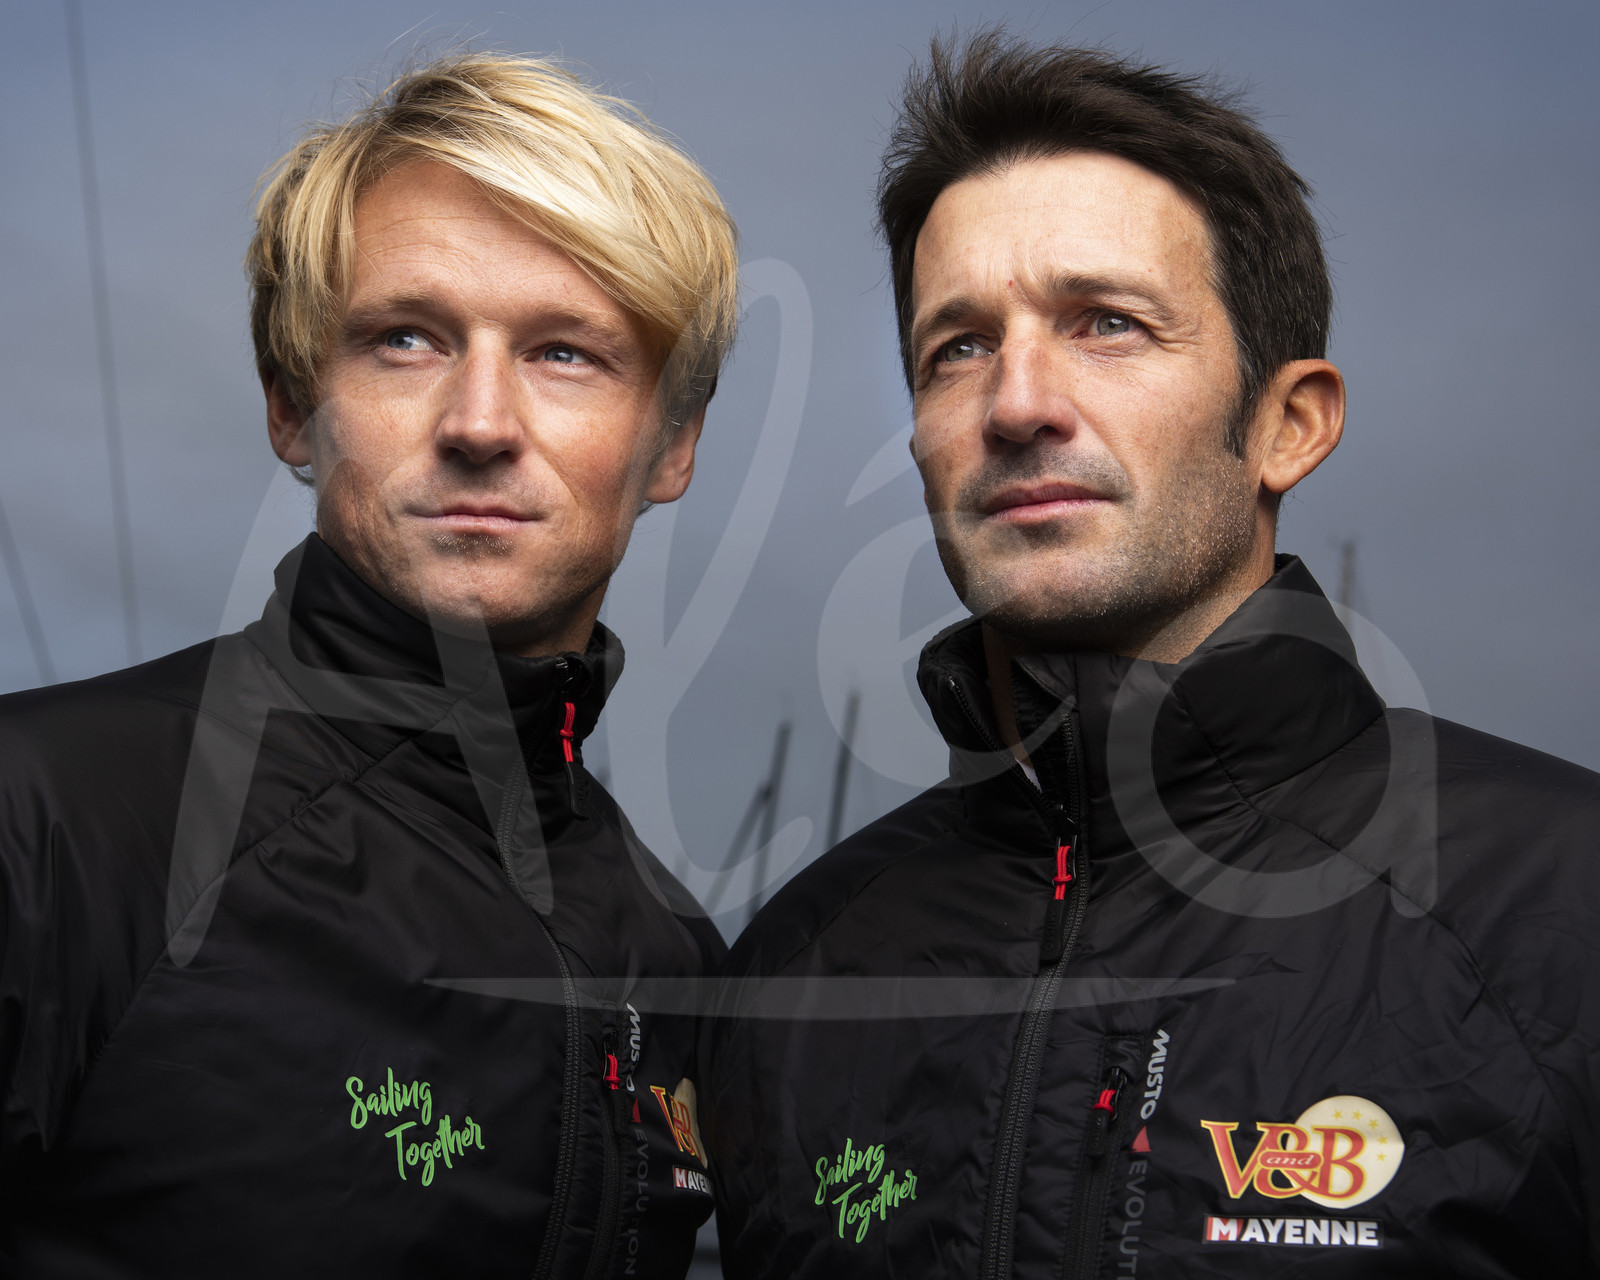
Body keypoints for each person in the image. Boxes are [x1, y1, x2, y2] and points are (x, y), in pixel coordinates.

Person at [704, 31, 1600, 1278]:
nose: (1017, 402)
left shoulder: (1563, 913)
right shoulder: (789, 974)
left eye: (1108, 324)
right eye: (957, 346)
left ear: (1288, 423)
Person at [0, 53, 737, 1278]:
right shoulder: (47, 823)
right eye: (405, 338)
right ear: (294, 404)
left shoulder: (676, 957)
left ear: (672, 444)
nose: (480, 422)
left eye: (565, 352)